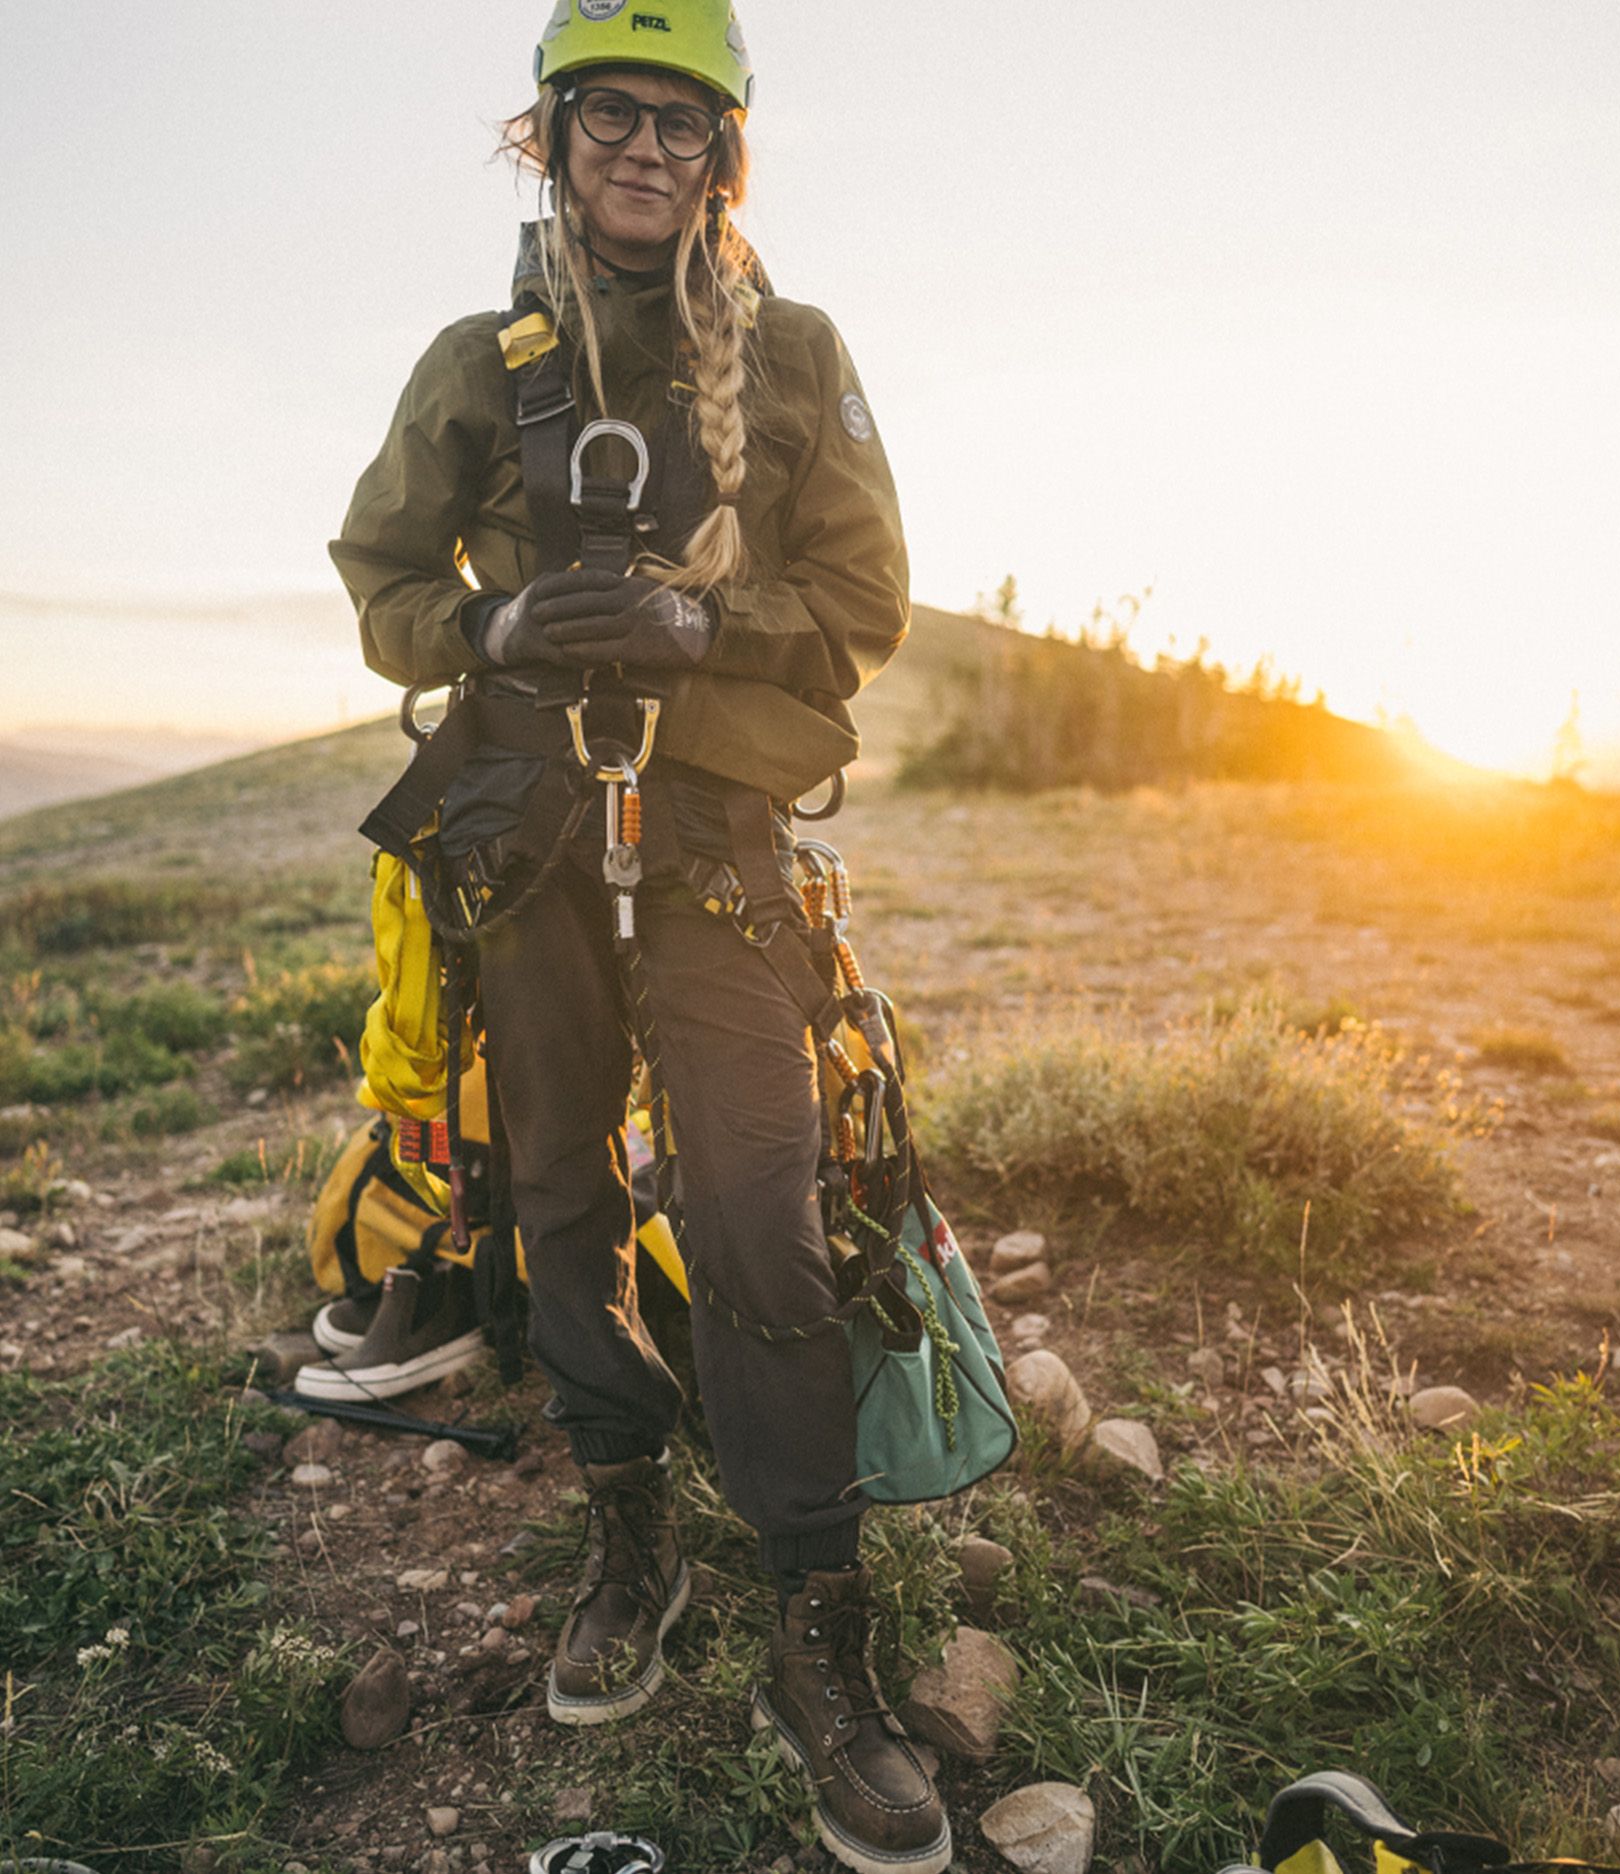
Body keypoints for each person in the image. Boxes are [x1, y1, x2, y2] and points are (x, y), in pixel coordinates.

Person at [329, 6, 950, 1872]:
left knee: (758, 1203)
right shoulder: (475, 361)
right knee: (557, 1205)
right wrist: (491, 640)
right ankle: (630, 1538)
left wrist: (710, 629)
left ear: (724, 153)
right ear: (552, 134)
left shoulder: (800, 357)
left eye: (685, 122)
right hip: (522, 844)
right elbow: (381, 579)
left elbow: (864, 604)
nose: (646, 148)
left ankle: (816, 1623)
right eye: (612, 112)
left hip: (714, 846)